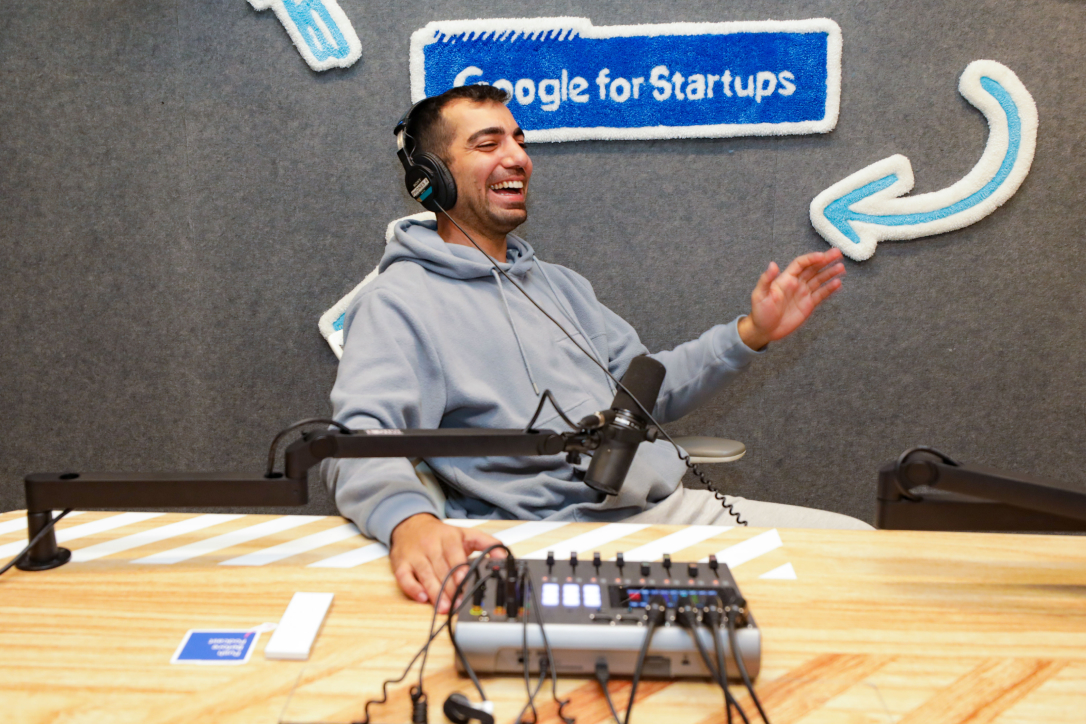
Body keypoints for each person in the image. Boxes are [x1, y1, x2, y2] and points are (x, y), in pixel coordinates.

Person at [323, 85, 870, 613]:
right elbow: (360, 441)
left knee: (864, 552)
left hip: (665, 514)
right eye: (488, 144)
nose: (517, 157)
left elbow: (646, 390)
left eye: (519, 140)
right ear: (431, 178)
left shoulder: (561, 286)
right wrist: (409, 522)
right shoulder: (400, 302)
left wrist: (752, 331)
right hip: (541, 543)